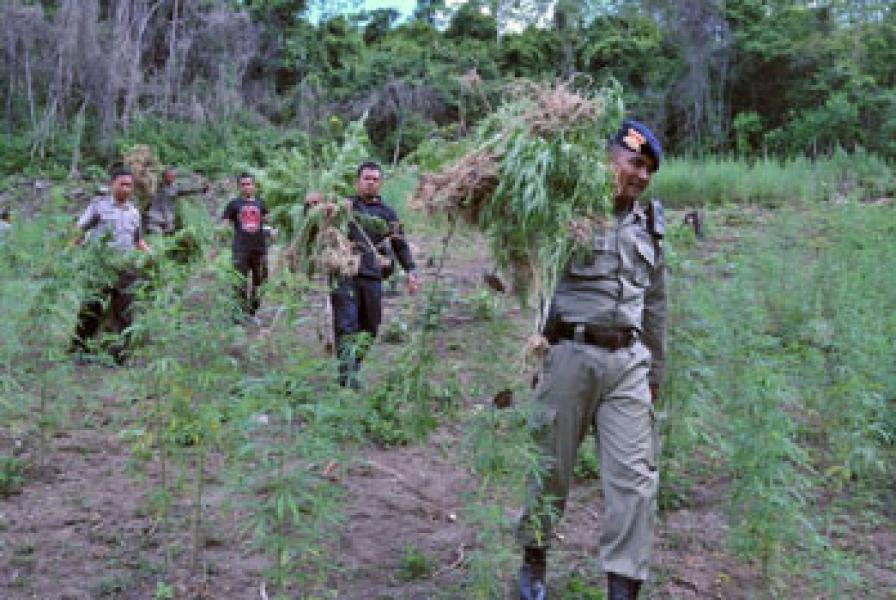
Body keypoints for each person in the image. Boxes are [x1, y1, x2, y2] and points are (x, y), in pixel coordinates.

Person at [516, 119, 667, 600]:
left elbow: (656, 302)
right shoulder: (567, 211)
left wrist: (656, 371)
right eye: (635, 163)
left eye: (648, 170)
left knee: (635, 481)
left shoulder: (650, 224)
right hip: (570, 353)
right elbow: (529, 262)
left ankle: (623, 586)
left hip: (629, 363)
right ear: (608, 159)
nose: (641, 176)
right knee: (550, 466)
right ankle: (533, 559)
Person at [307, 161, 421, 387]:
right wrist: (311, 205)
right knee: (346, 324)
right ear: (357, 181)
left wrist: (411, 270)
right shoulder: (345, 207)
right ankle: (347, 376)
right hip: (344, 273)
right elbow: (317, 221)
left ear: (380, 183)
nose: (371, 183)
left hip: (373, 276)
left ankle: (353, 366)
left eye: (375, 179)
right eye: (366, 178)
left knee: (370, 326)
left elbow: (400, 244)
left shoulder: (387, 213)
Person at [69, 166, 151, 364]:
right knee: (92, 308)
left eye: (129, 185)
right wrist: (68, 252)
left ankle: (121, 354)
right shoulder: (98, 207)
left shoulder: (134, 212)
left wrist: (153, 255)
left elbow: (138, 241)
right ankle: (79, 349)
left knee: (125, 311)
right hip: (101, 265)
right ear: (112, 184)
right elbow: (79, 231)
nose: (126, 189)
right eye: (122, 184)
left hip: (126, 266)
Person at [221, 172, 268, 319]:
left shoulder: (261, 203)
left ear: (254, 186)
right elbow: (224, 225)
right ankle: (239, 313)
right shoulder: (233, 204)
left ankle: (253, 311)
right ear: (239, 187)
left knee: (260, 281)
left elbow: (268, 221)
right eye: (243, 184)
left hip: (259, 248)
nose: (246, 187)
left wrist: (272, 230)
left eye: (249, 184)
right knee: (239, 282)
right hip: (240, 249)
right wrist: (218, 242)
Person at [144, 167, 209, 235]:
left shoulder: (174, 188)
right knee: (157, 234)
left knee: (169, 233)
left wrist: (201, 189)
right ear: (164, 177)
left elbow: (187, 191)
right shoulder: (156, 186)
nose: (172, 178)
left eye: (173, 176)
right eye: (169, 176)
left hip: (167, 218)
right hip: (155, 218)